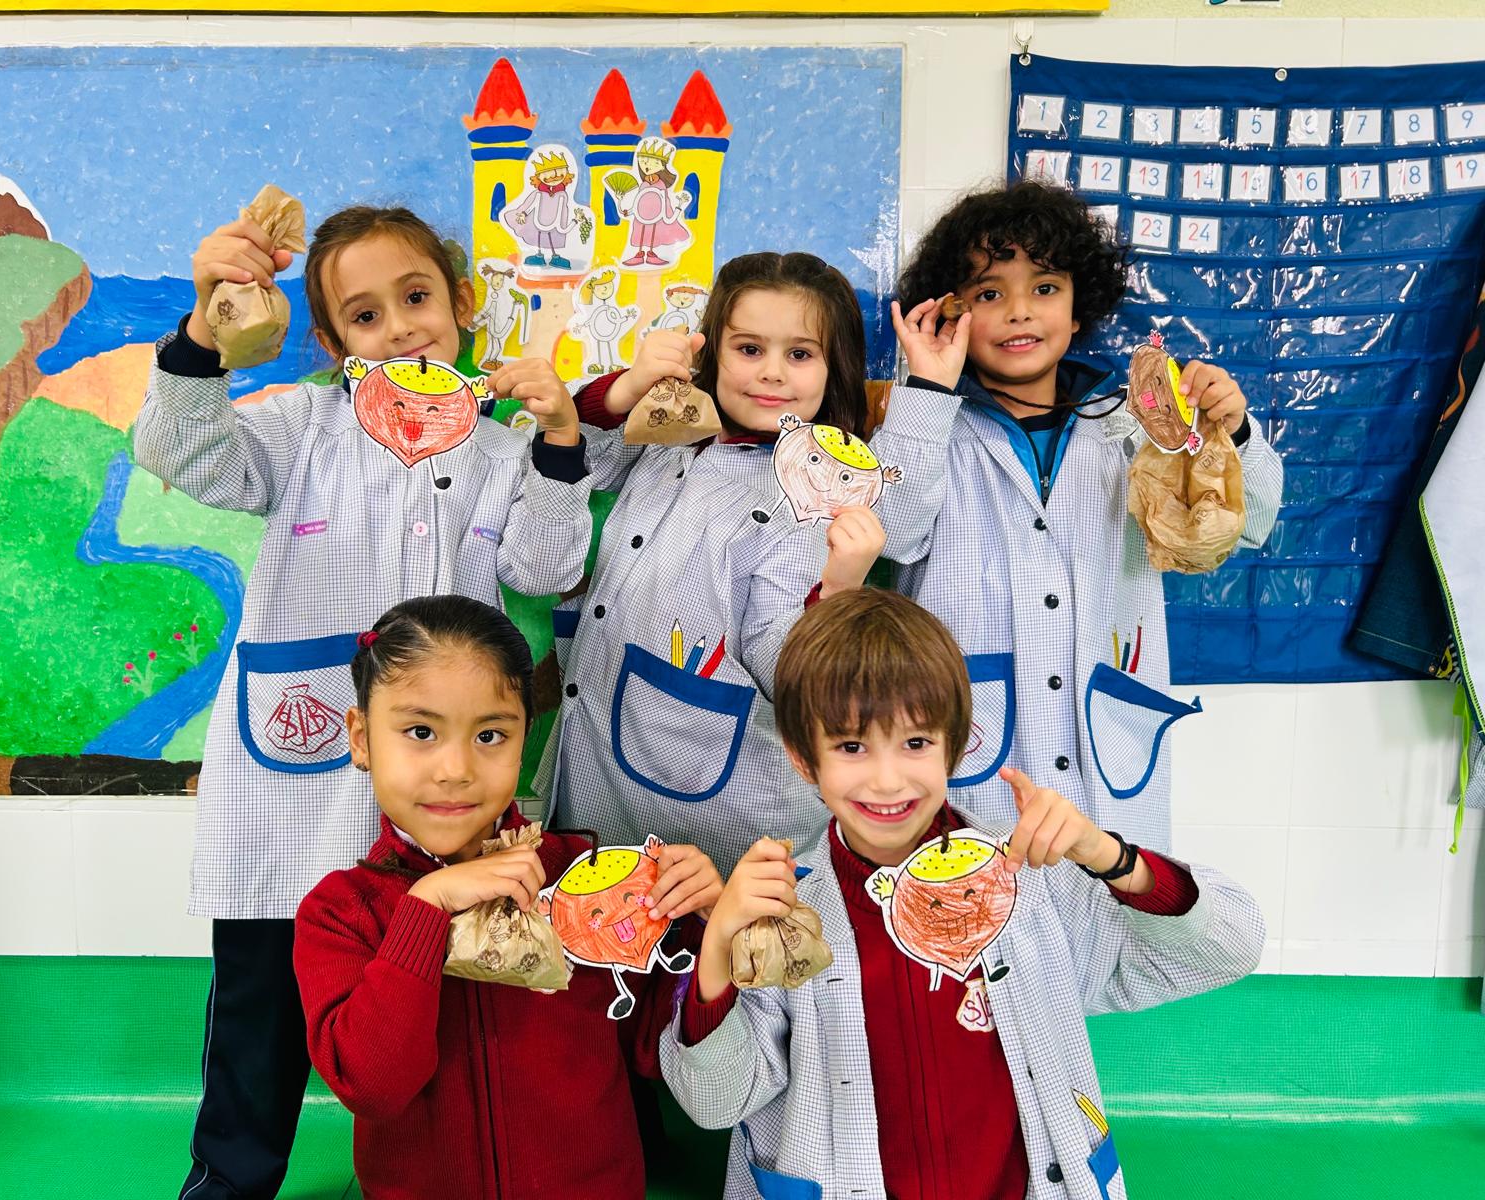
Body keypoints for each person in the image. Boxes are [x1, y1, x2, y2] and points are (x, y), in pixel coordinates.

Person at [135, 204, 592, 1200]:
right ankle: (228, 1181)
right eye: (366, 315)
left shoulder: (504, 448)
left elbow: (546, 567)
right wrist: (205, 333)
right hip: (288, 778)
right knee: (258, 1012)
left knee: (436, 992)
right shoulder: (305, 426)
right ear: (335, 346)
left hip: (436, 789)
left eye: (417, 298)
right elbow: (185, 455)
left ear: (462, 306)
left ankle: (448, 1172)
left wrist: (557, 442)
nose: (400, 328)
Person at [662, 588, 1265, 1199]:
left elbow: (1232, 947)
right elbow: (717, 1102)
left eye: (916, 743)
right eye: (850, 747)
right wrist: (718, 945)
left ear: (956, 744)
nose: (887, 779)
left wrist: (1107, 856)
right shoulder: (782, 913)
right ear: (802, 760)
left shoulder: (1035, 882)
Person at [873, 179, 1284, 851]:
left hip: (1107, 744)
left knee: (1109, 907)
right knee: (976, 917)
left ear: (1077, 305)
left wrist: (1231, 433)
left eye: (1044, 288)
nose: (1018, 313)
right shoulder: (924, 424)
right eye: (988, 293)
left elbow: (1253, 519)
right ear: (952, 310)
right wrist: (926, 390)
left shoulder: (1134, 420)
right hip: (971, 749)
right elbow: (892, 531)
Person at [295, 595, 721, 1199]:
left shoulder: (584, 880)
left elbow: (659, 1051)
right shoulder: (341, 911)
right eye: (420, 731)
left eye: (490, 734)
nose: (456, 768)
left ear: (525, 737)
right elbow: (373, 1085)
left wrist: (709, 935)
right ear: (361, 739)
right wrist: (427, 909)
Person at [545, 251, 888, 876]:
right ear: (713, 354)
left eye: (801, 354)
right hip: (599, 769)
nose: (772, 374)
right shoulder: (676, 433)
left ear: (835, 368)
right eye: (749, 349)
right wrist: (626, 388)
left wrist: (838, 590)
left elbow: (793, 669)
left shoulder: (814, 495)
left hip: (720, 816)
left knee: (712, 961)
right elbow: (579, 455)